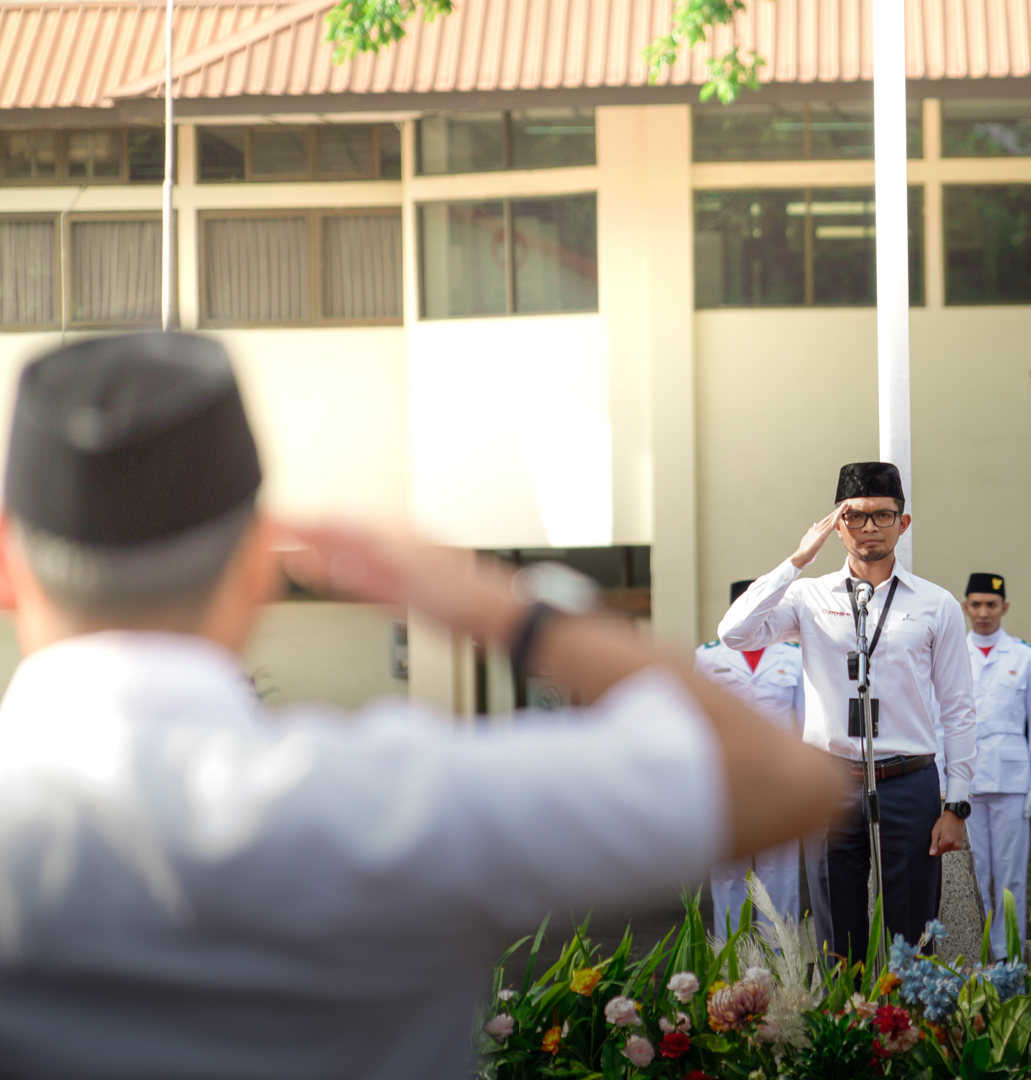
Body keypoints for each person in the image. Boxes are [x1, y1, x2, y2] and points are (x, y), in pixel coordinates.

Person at [0, 332, 844, 1079]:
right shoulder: (390, 794)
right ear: (260, 567)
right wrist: (501, 606)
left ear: (9, 566)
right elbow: (784, 779)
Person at [719, 462, 976, 960]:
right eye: (855, 517)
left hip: (909, 780)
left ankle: (909, 1028)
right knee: (838, 935)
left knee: (912, 935)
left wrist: (957, 803)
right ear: (837, 525)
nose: (869, 528)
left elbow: (959, 707)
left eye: (883, 516)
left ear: (904, 523)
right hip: (830, 782)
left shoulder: (935, 603)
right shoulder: (808, 596)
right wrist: (796, 560)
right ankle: (847, 1031)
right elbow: (734, 632)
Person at [696, 579, 805, 931]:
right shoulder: (708, 656)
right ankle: (730, 969)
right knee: (730, 872)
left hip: (780, 782)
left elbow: (805, 725)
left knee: (781, 872)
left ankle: (781, 971)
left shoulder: (794, 655)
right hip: (728, 781)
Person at [961, 572, 1031, 961]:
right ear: (965, 607)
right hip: (967, 780)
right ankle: (978, 948)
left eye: (991, 605)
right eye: (976, 605)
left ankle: (1008, 950)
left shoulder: (1026, 656)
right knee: (973, 874)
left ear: (1005, 608)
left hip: (1014, 781)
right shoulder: (950, 654)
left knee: (1011, 874)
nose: (983, 613)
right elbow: (937, 720)